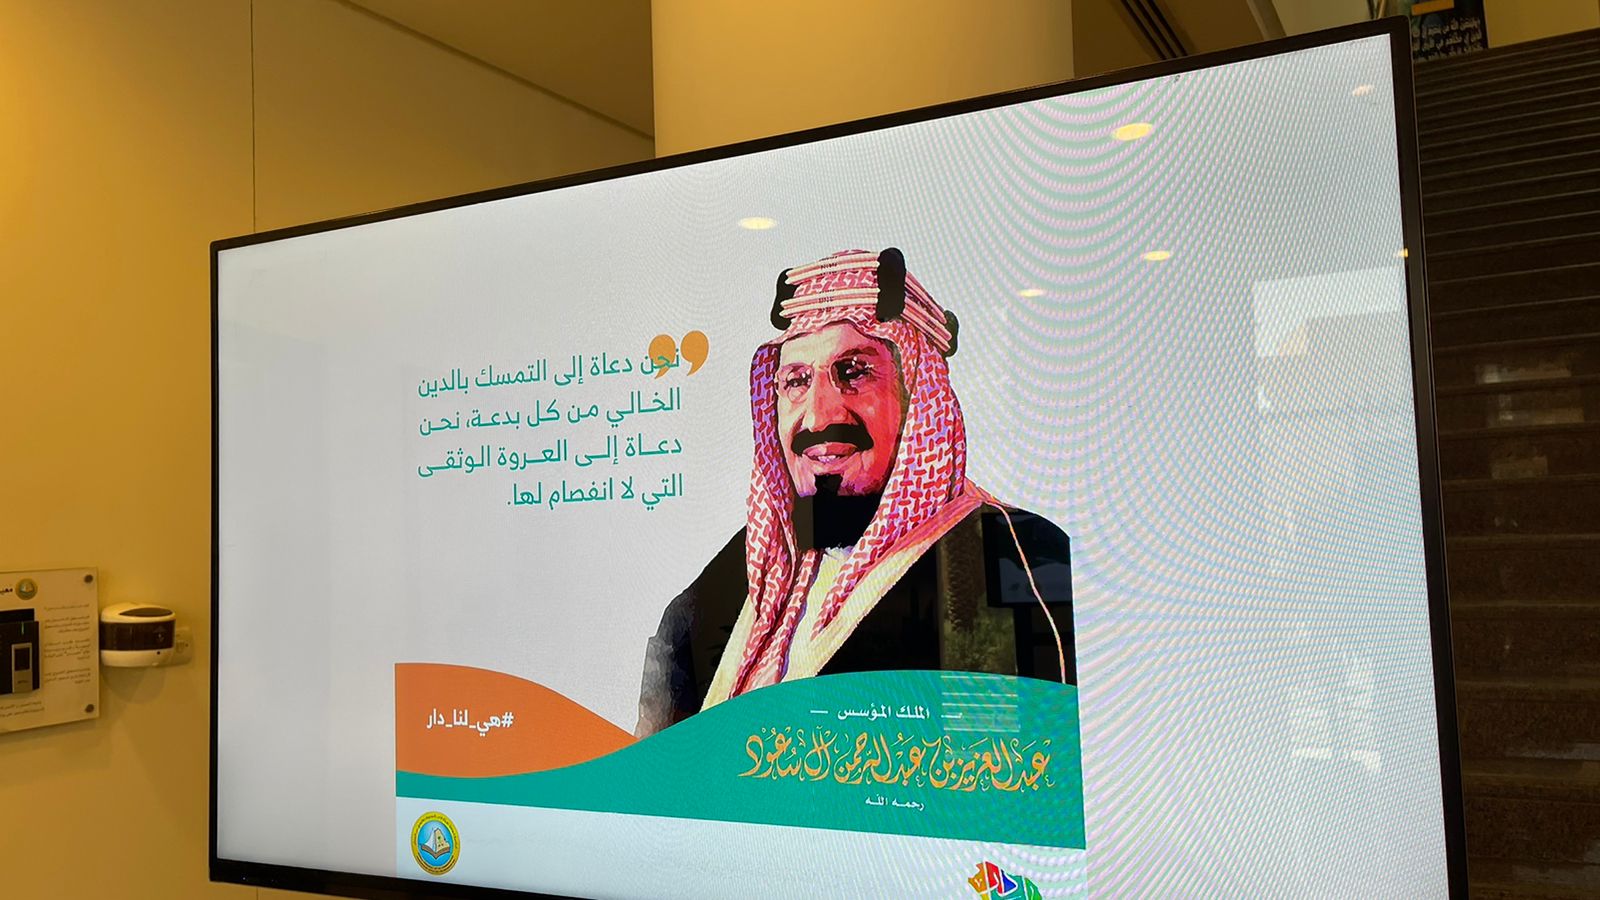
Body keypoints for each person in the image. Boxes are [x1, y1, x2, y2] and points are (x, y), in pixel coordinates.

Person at [636, 248, 1073, 737]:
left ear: (916, 398)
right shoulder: (751, 566)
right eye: (796, 381)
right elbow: (653, 741)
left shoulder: (1006, 558)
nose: (819, 415)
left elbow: (1003, 766)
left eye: (855, 372)